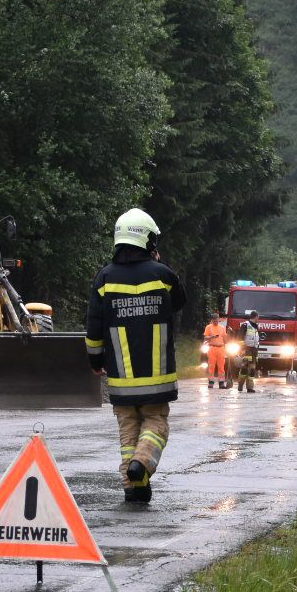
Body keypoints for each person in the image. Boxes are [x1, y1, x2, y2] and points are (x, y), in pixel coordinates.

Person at [85, 208, 185, 504]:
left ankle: (134, 487)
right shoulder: (163, 276)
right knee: (155, 425)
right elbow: (180, 301)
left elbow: (94, 327)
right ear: (147, 240)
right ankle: (142, 462)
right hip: (157, 377)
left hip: (121, 377)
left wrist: (95, 360)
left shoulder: (104, 279)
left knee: (128, 431)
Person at [203, 312, 229, 388]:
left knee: (221, 366)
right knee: (211, 365)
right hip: (212, 348)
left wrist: (229, 336)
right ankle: (211, 381)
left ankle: (221, 382)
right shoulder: (208, 327)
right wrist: (212, 337)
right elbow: (205, 337)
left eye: (217, 319)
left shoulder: (222, 327)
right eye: (214, 320)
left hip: (221, 348)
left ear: (218, 319)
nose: (216, 321)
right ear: (212, 320)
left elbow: (225, 339)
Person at [237, 318, 261, 393]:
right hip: (246, 350)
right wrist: (242, 349)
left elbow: (257, 341)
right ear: (255, 317)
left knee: (252, 369)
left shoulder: (256, 327)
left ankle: (249, 387)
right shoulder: (245, 325)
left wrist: (257, 350)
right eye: (258, 317)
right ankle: (240, 385)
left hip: (253, 351)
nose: (258, 319)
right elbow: (240, 338)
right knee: (244, 368)